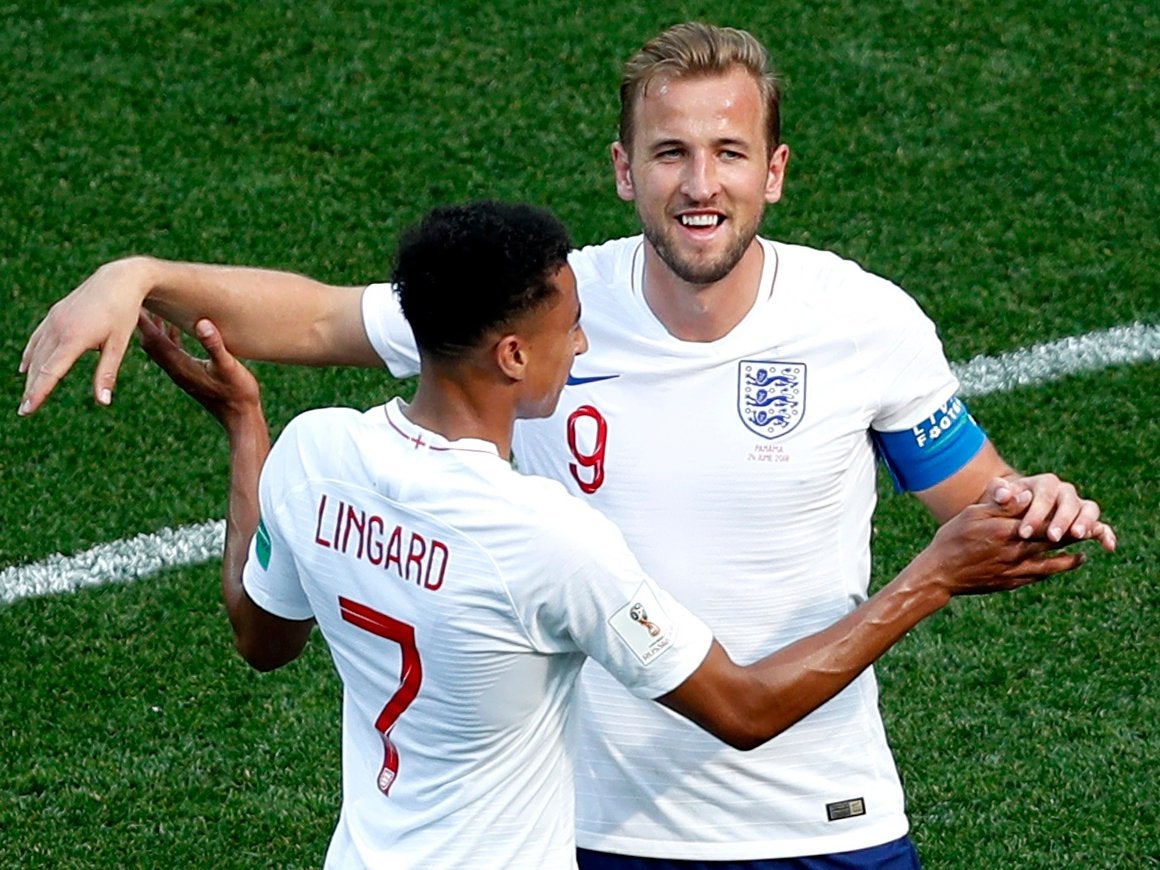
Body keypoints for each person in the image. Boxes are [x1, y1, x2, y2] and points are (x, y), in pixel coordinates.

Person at [19, 22, 1115, 869]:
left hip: (817, 817)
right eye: (670, 152)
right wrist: (140, 275)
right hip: (584, 831)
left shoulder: (863, 321)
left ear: (771, 171)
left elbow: (975, 500)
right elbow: (312, 320)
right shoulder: (535, 306)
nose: (700, 184)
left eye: (729, 152)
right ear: (621, 168)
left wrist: (1034, 504)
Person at [140, 200, 1086, 870]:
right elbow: (744, 709)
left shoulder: (312, 456)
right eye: (573, 327)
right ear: (513, 354)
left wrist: (246, 431)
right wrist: (932, 576)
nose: (585, 344)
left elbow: (259, 640)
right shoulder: (549, 538)